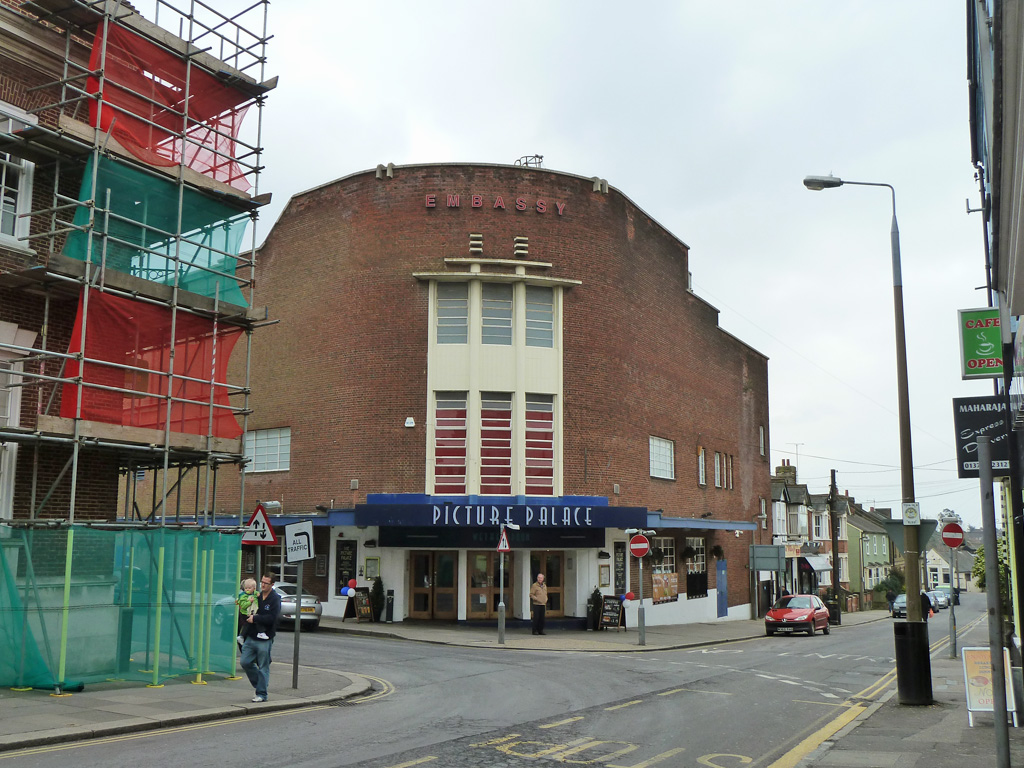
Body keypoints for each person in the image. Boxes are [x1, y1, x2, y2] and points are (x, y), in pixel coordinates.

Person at [240, 573, 281, 702]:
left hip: (265, 637)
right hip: (251, 636)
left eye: (266, 583)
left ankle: (262, 694)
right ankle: (260, 685)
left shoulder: (275, 599)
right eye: (262, 582)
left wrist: (256, 618)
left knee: (263, 666)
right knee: (245, 662)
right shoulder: (255, 595)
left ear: (272, 585)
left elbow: (272, 618)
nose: (262, 585)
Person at [236, 578, 258, 644]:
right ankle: (241, 636)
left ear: (254, 589)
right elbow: (243, 605)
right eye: (246, 588)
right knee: (246, 624)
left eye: (249, 588)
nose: (247, 590)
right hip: (245, 613)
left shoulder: (254, 594)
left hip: (252, 612)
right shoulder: (243, 596)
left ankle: (260, 632)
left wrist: (257, 594)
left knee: (255, 622)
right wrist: (249, 602)